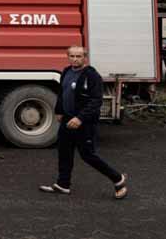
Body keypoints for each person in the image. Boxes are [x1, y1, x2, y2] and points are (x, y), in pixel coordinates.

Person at [40, 45, 128, 199]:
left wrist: (80, 118)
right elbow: (62, 93)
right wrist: (59, 110)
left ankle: (118, 179)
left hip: (84, 122)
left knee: (88, 155)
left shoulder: (92, 75)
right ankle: (63, 185)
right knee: (64, 152)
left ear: (85, 57)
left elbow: (96, 101)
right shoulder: (66, 71)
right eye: (72, 56)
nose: (75, 59)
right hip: (67, 120)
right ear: (68, 57)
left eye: (79, 56)